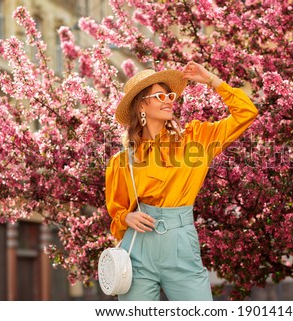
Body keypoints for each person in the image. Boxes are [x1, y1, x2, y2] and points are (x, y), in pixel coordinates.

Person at [105, 61, 258, 301]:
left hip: (181, 245)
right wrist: (127, 216)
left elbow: (247, 113)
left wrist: (211, 80)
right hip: (138, 251)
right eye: (159, 95)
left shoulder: (196, 140)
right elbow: (117, 213)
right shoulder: (122, 160)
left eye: (170, 95)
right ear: (142, 105)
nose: (168, 100)